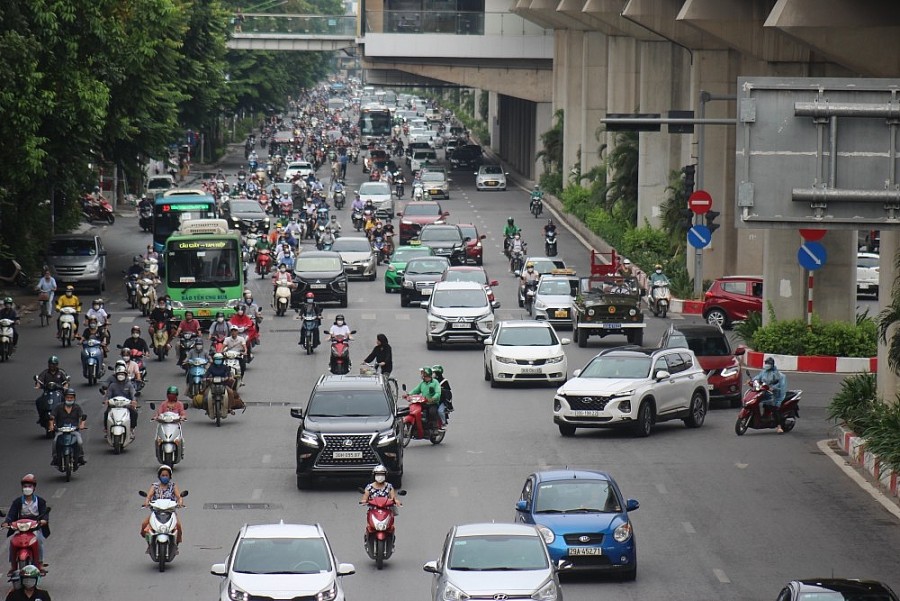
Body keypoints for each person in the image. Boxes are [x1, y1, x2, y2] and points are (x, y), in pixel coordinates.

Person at [3, 475, 50, 577]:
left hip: (35, 526)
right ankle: (13, 566)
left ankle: (40, 564)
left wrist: (43, 521)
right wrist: (7, 522)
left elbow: (44, 513)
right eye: (25, 486)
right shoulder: (17, 502)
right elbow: (11, 514)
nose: (27, 488)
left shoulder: (40, 501)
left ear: (34, 488)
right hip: (22, 526)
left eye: (29, 486)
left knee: (39, 540)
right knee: (13, 541)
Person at [140, 465, 183, 546]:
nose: (165, 477)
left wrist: (180, 502)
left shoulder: (173, 486)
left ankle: (176, 544)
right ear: (159, 476)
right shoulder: (154, 486)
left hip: (170, 512)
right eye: (163, 475)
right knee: (144, 524)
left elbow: (179, 497)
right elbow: (148, 496)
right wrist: (146, 502)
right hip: (156, 512)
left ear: (170, 476)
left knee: (178, 526)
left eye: (166, 475)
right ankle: (150, 543)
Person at [48, 388, 86, 467]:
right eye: (68, 397)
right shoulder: (58, 407)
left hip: (74, 430)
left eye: (71, 398)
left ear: (74, 398)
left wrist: (82, 425)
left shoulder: (77, 407)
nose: (69, 399)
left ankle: (80, 457)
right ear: (64, 398)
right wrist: (51, 425)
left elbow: (82, 417)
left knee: (80, 442)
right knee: (55, 441)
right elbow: (52, 417)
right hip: (61, 430)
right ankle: (55, 457)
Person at [101, 364, 138, 435]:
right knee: (106, 413)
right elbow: (108, 394)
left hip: (126, 404)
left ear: (125, 375)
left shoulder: (129, 385)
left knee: (134, 413)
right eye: (119, 374)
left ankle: (132, 428)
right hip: (114, 405)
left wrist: (133, 401)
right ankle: (106, 428)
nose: (120, 376)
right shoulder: (112, 385)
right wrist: (106, 400)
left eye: (122, 374)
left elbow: (133, 393)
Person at [753, 357, 787, 433]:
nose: (766, 365)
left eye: (768, 364)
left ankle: (779, 427)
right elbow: (758, 378)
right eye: (766, 363)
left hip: (773, 394)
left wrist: (773, 388)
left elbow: (779, 384)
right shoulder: (763, 372)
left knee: (773, 408)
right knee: (759, 402)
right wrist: (753, 381)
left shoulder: (776, 374)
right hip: (764, 392)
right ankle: (764, 417)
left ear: (772, 365)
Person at [406, 367, 442, 432]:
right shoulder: (422, 383)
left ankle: (435, 428)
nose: (422, 375)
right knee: (414, 410)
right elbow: (416, 390)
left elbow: (438, 393)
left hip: (432, 403)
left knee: (432, 412)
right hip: (424, 402)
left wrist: (432, 398)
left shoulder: (435, 382)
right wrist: (408, 394)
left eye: (423, 373)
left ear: (427, 374)